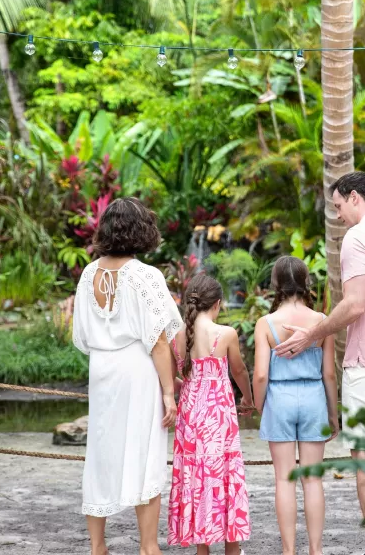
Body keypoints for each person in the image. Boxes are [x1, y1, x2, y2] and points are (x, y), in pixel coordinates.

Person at [275, 171, 365, 555]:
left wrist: (312, 333)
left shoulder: (358, 238)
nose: (338, 215)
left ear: (354, 197)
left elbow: (355, 304)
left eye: (338, 206)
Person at [71, 197, 184, 555]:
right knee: (145, 451)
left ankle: (97, 546)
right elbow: (160, 341)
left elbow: (81, 337)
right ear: (142, 230)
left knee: (101, 453)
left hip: (102, 370)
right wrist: (169, 391)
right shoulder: (145, 276)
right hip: (137, 371)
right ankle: (149, 547)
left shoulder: (89, 274)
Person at [252, 256, 339, 555]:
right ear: (305, 283)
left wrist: (260, 407)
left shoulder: (265, 324)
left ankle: (289, 551)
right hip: (314, 397)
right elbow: (329, 373)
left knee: (284, 480)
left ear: (275, 284)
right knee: (313, 480)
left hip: (280, 398)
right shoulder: (321, 321)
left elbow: (261, 374)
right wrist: (333, 414)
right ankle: (315, 549)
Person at [168, 272, 253, 554]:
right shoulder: (226, 334)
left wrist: (191, 384)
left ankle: (202, 549)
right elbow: (239, 371)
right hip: (219, 414)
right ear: (217, 304)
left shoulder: (178, 336)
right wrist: (248, 397)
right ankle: (232, 547)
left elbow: (172, 378)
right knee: (224, 473)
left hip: (191, 413)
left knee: (196, 475)